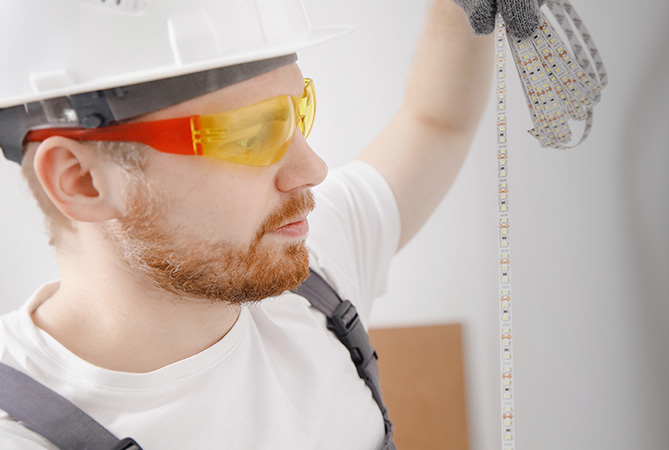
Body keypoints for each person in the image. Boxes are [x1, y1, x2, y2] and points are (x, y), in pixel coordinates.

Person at [0, 0, 542, 448]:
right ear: (81, 181)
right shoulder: (24, 434)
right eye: (253, 133)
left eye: (298, 113)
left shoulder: (308, 273)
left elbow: (436, 121)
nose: (313, 169)